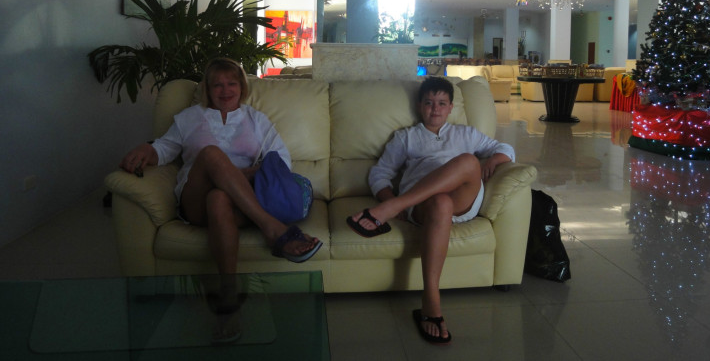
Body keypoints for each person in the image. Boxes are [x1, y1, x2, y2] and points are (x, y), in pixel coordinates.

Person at [120, 57, 321, 342]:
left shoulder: (256, 119)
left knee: (219, 197)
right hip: (195, 200)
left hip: (239, 204)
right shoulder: (189, 117)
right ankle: (272, 228)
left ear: (242, 87)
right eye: (217, 85)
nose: (225, 90)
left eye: (232, 84)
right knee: (211, 154)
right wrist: (146, 149)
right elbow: (164, 149)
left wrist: (243, 174)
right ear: (207, 89)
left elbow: (281, 161)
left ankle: (228, 297)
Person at [346, 76, 514, 345]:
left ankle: (391, 208)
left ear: (451, 108)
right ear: (419, 106)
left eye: (442, 103)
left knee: (469, 161)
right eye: (429, 103)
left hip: (463, 201)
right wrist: (387, 193)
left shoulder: (466, 134)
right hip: (424, 207)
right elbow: (380, 174)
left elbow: (505, 148)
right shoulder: (406, 137)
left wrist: (494, 159)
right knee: (441, 203)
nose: (435, 109)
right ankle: (431, 299)